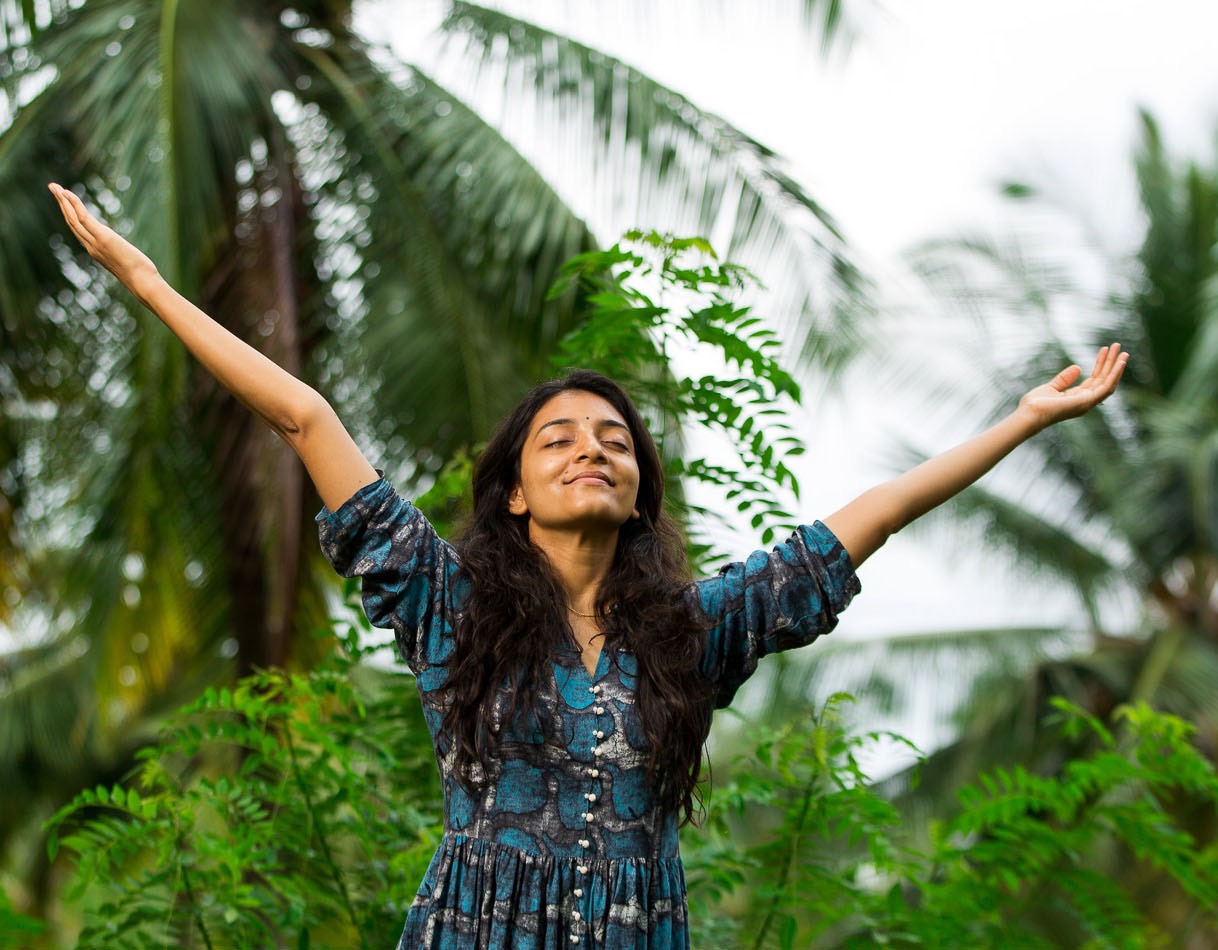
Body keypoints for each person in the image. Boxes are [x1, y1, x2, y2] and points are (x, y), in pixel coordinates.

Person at [48, 182, 1128, 948]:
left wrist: (1021, 421)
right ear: (513, 490)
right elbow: (304, 415)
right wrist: (147, 281)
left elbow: (872, 513)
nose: (592, 449)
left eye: (614, 440)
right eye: (558, 438)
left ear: (639, 491)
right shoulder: (447, 607)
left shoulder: (699, 630)